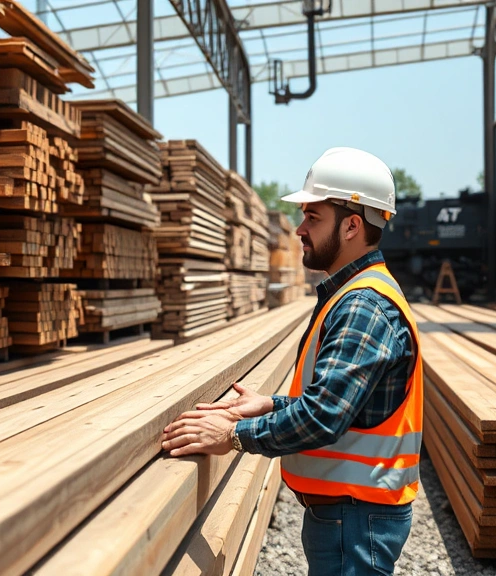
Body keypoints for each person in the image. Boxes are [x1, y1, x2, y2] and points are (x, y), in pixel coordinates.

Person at [160, 147, 422, 576]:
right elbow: (347, 404)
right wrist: (272, 405)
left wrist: (234, 435)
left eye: (313, 217)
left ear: (353, 225)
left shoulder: (363, 306)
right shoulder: (354, 293)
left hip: (355, 515)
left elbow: (323, 418)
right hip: (351, 510)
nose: (299, 229)